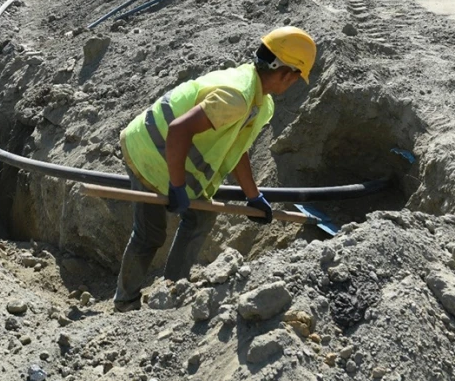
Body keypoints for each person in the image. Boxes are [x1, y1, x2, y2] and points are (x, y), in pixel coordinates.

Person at [112, 27, 317, 312]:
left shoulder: (258, 100)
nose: (293, 84)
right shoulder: (238, 96)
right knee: (150, 235)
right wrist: (177, 186)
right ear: (287, 74)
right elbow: (178, 130)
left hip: (170, 158)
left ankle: (173, 291)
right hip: (149, 152)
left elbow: (237, 148)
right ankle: (125, 302)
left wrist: (253, 196)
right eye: (296, 79)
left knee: (201, 218)